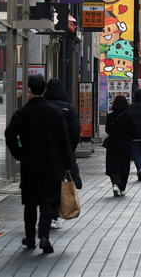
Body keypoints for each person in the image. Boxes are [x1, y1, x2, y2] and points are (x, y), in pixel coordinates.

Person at [5, 75, 72, 254]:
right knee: (48, 200)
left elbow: (9, 134)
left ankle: (30, 237)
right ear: (44, 90)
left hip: (30, 164)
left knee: (30, 202)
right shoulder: (55, 112)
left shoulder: (22, 113)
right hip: (51, 163)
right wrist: (67, 163)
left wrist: (19, 154)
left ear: (29, 90)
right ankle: (44, 236)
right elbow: (64, 141)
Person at [44, 78, 82, 230]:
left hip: (45, 154)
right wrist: (69, 149)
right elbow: (75, 131)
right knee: (60, 184)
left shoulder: (43, 106)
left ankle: (50, 215)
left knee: (47, 186)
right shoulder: (68, 108)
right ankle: (54, 216)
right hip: (62, 153)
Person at [105, 95, 136, 197]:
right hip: (125, 145)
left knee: (113, 166)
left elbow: (107, 130)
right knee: (124, 166)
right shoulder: (129, 116)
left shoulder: (110, 117)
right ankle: (122, 188)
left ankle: (115, 184)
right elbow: (133, 132)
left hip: (113, 145)